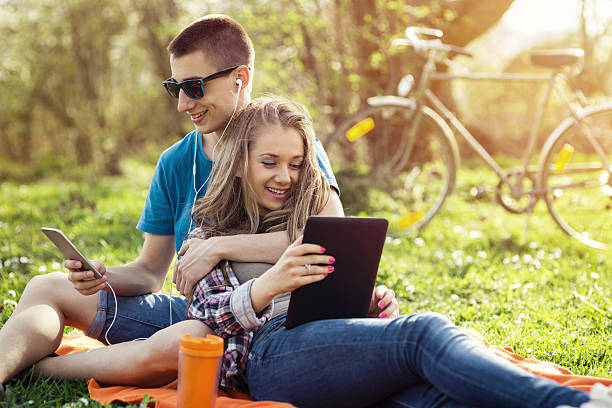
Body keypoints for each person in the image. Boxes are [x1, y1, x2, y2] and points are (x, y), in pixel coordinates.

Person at [186, 97, 610, 408]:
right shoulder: (208, 229)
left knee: (433, 398)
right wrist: (265, 287)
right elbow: (203, 317)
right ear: (240, 163)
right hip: (270, 358)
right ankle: (568, 405)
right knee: (422, 334)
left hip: (323, 350)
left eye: (296, 163)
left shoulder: (311, 218)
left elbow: (329, 306)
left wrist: (367, 308)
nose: (285, 177)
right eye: (270, 162)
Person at [0, 14, 343, 392]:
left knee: (188, 337)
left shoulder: (290, 150)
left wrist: (218, 246)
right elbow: (150, 273)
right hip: (195, 310)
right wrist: (102, 276)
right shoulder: (175, 161)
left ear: (239, 79)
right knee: (48, 287)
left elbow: (330, 243)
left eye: (194, 87)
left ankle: (41, 369)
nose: (183, 104)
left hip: (259, 325)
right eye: (174, 88)